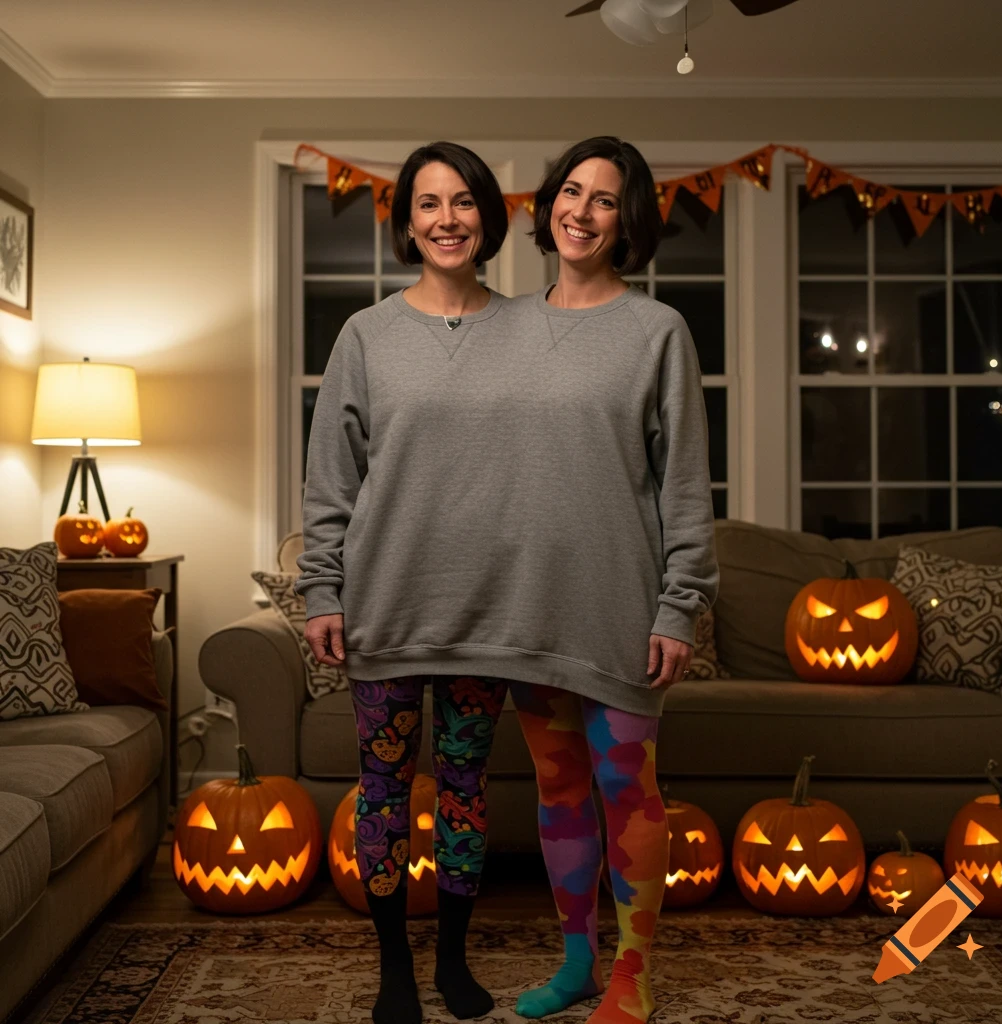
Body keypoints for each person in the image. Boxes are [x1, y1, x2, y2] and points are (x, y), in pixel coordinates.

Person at [295, 141, 513, 1024]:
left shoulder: (529, 329)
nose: (448, 219)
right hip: (384, 610)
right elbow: (330, 476)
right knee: (384, 793)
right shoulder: (367, 336)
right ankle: (394, 970)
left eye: (463, 201)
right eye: (428, 204)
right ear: (407, 222)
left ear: (487, 216)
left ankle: (453, 962)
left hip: (485, 614)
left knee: (463, 789)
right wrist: (321, 589)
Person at [507, 137, 719, 1024]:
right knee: (558, 791)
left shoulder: (655, 331)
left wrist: (681, 606)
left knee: (626, 784)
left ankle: (634, 968)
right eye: (570, 190)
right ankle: (578, 962)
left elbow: (683, 483)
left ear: (627, 222)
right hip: (525, 609)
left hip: (624, 605)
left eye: (604, 199)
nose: (581, 210)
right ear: (549, 204)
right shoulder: (499, 326)